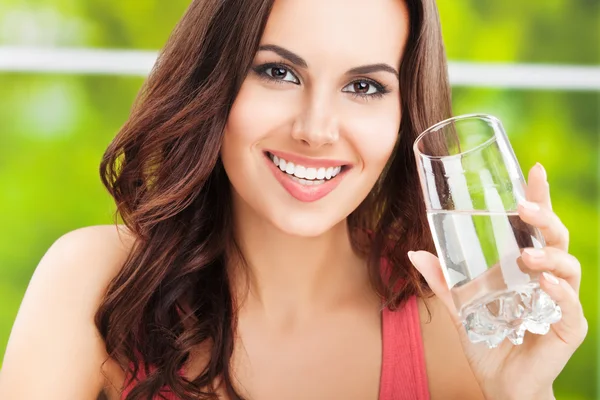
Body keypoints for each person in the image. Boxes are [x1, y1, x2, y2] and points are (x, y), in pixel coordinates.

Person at [0, 0, 587, 399]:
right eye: (278, 73)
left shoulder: (456, 329)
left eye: (364, 87)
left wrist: (523, 392)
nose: (317, 129)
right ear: (214, 80)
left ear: (403, 114)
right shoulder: (97, 283)